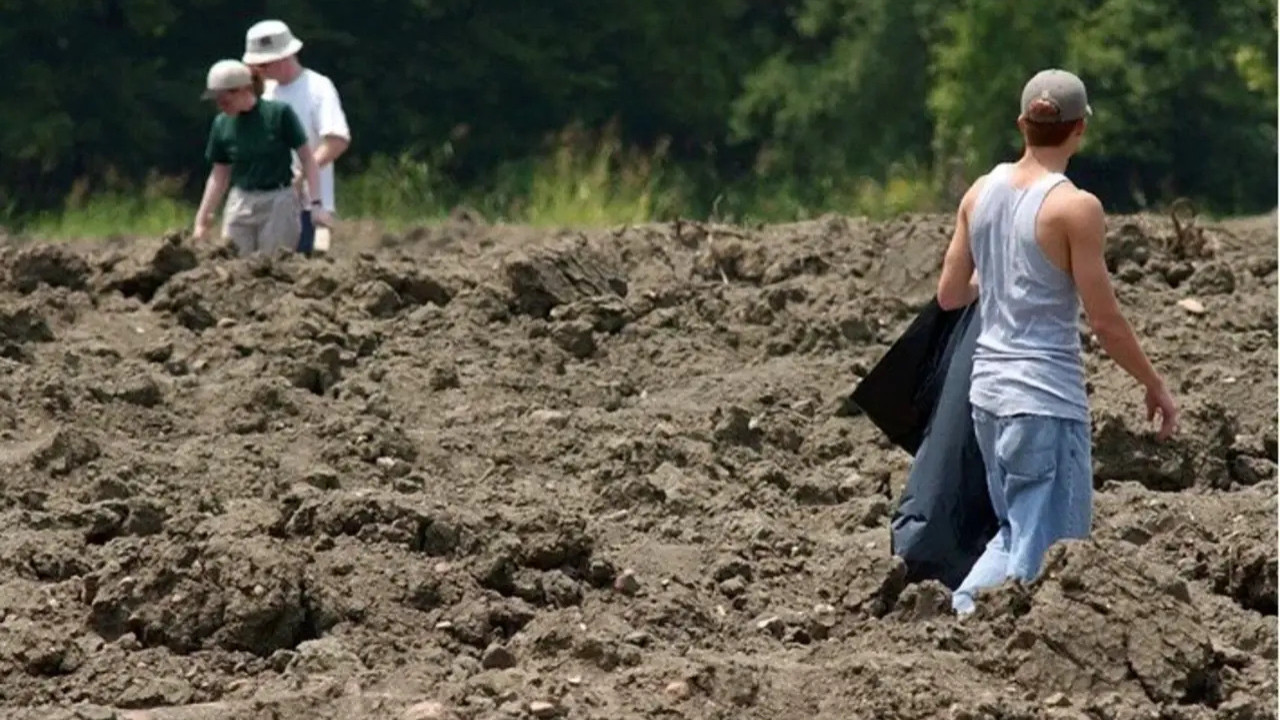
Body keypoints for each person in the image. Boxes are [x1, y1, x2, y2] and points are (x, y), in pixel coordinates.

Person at [934, 68, 1180, 615]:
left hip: (989, 398)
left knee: (1015, 530)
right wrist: (1153, 383)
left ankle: (960, 618)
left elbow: (950, 293)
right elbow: (1106, 322)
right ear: (1079, 130)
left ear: (1022, 124)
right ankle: (978, 632)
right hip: (1044, 400)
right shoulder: (1076, 208)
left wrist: (1002, 279)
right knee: (1051, 560)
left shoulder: (980, 192)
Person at [192, 59, 332, 254]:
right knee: (234, 263)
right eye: (217, 102)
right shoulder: (221, 124)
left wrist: (316, 204)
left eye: (225, 101)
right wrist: (202, 219)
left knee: (274, 264)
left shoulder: (278, 114)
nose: (221, 106)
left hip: (278, 200)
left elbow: (308, 159)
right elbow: (219, 175)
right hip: (241, 201)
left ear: (243, 90)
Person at [242, 19, 351, 253]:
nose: (259, 72)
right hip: (266, 203)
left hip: (307, 204)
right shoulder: (265, 93)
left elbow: (337, 140)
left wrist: (302, 174)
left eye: (263, 65)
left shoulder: (317, 88)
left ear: (282, 58)